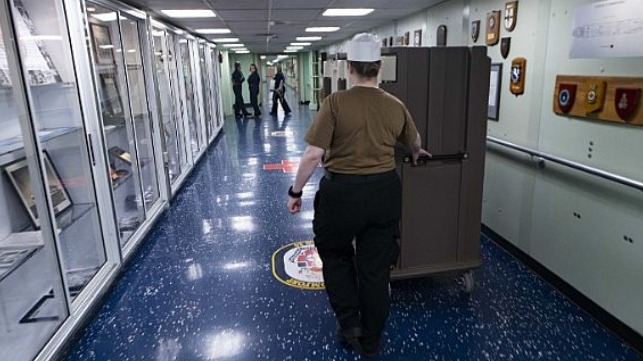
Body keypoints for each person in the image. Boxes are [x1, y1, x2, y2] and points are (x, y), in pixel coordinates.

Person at [286, 33, 431, 358]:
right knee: (375, 268)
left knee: (335, 255)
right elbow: (415, 143)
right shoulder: (395, 105)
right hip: (383, 192)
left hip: (342, 195)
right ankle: (372, 337)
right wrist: (419, 152)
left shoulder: (335, 103)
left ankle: (350, 324)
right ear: (379, 67)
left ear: (349, 67)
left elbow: (313, 155)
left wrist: (295, 191)